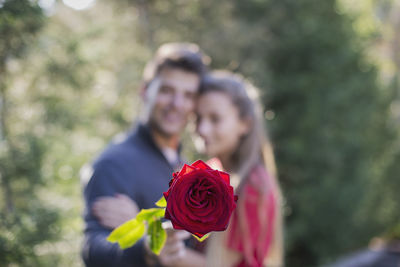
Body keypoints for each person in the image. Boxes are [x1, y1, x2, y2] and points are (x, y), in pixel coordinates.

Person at [81, 42, 209, 267]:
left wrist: (143, 226)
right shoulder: (114, 163)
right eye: (166, 91)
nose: (177, 104)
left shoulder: (186, 167)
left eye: (188, 95)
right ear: (144, 91)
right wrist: (147, 247)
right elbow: (93, 249)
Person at [195, 70, 284, 267]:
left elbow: (220, 264)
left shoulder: (254, 187)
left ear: (245, 124)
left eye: (215, 119)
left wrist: (173, 255)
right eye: (198, 118)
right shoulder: (211, 171)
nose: (202, 129)